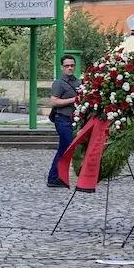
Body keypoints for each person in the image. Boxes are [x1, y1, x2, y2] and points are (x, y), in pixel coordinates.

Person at [47, 55, 80, 188]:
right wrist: (73, 100)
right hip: (62, 119)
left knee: (66, 148)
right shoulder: (59, 83)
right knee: (65, 149)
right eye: (67, 66)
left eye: (72, 65)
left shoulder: (77, 82)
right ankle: (53, 177)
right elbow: (54, 101)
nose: (70, 68)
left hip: (74, 120)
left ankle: (58, 176)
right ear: (62, 67)